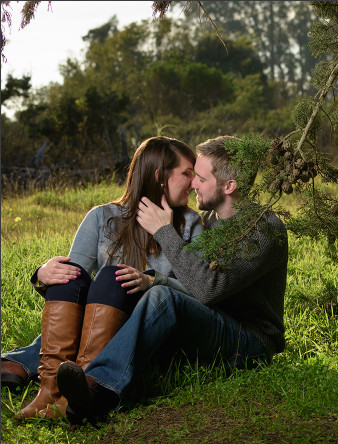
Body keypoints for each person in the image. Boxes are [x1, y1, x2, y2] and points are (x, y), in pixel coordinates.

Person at [55, 135, 288, 424]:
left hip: (249, 341)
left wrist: (163, 232)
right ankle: (30, 366)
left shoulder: (263, 229)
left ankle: (99, 391)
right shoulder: (213, 221)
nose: (192, 184)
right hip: (212, 320)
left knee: (161, 296)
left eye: (200, 178)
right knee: (127, 308)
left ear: (229, 186)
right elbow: (195, 285)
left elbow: (205, 289)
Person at [0, 136, 203, 419]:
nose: (194, 183)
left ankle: (71, 381)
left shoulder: (191, 224)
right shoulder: (101, 216)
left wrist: (151, 278)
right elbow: (74, 287)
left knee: (111, 276)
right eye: (187, 173)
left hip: (149, 327)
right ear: (159, 176)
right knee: (71, 275)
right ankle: (49, 391)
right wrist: (43, 274)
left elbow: (199, 291)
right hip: (101, 317)